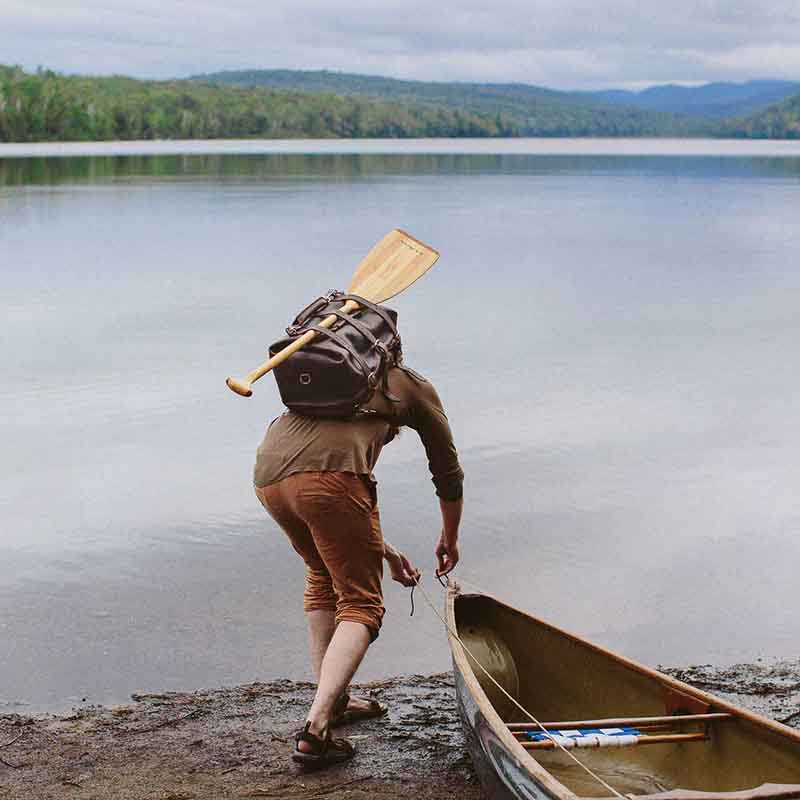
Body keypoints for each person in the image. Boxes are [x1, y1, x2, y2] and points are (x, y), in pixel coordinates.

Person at [254, 363, 464, 768]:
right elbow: (447, 472)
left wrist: (384, 551)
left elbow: (321, 490)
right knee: (361, 603)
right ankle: (316, 730)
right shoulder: (411, 388)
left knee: (322, 574)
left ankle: (334, 703)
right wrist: (449, 538)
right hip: (327, 479)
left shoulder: (329, 375)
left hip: (269, 471)